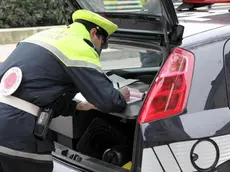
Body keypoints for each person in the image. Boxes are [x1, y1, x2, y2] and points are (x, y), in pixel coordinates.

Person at [0, 9, 130, 172]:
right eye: (102, 42)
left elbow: (37, 89)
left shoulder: (47, 36)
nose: (100, 49)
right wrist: (121, 95)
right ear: (94, 32)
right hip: (17, 134)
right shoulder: (79, 47)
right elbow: (109, 101)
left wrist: (76, 106)